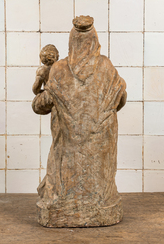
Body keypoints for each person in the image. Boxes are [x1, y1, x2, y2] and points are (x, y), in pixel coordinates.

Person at [32, 15, 127, 227]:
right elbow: (120, 99)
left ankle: (62, 206)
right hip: (99, 148)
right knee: (98, 177)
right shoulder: (106, 67)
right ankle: (100, 206)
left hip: (68, 149)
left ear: (71, 42)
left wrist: (40, 89)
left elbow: (40, 106)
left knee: (62, 170)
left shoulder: (58, 70)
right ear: (95, 41)